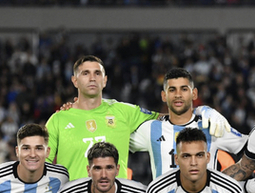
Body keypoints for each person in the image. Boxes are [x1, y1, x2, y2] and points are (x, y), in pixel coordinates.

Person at [46, 55, 230, 180]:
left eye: (97, 73)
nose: (92, 78)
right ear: (75, 81)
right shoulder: (58, 119)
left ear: (105, 80)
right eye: (85, 73)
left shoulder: (124, 112)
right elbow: (43, 168)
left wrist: (201, 111)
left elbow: (171, 119)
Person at [130, 67, 247, 179]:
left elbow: (253, 148)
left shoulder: (211, 125)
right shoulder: (151, 129)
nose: (178, 95)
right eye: (172, 90)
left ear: (194, 94)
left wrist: (223, 181)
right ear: (164, 96)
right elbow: (119, 138)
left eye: (184, 89)